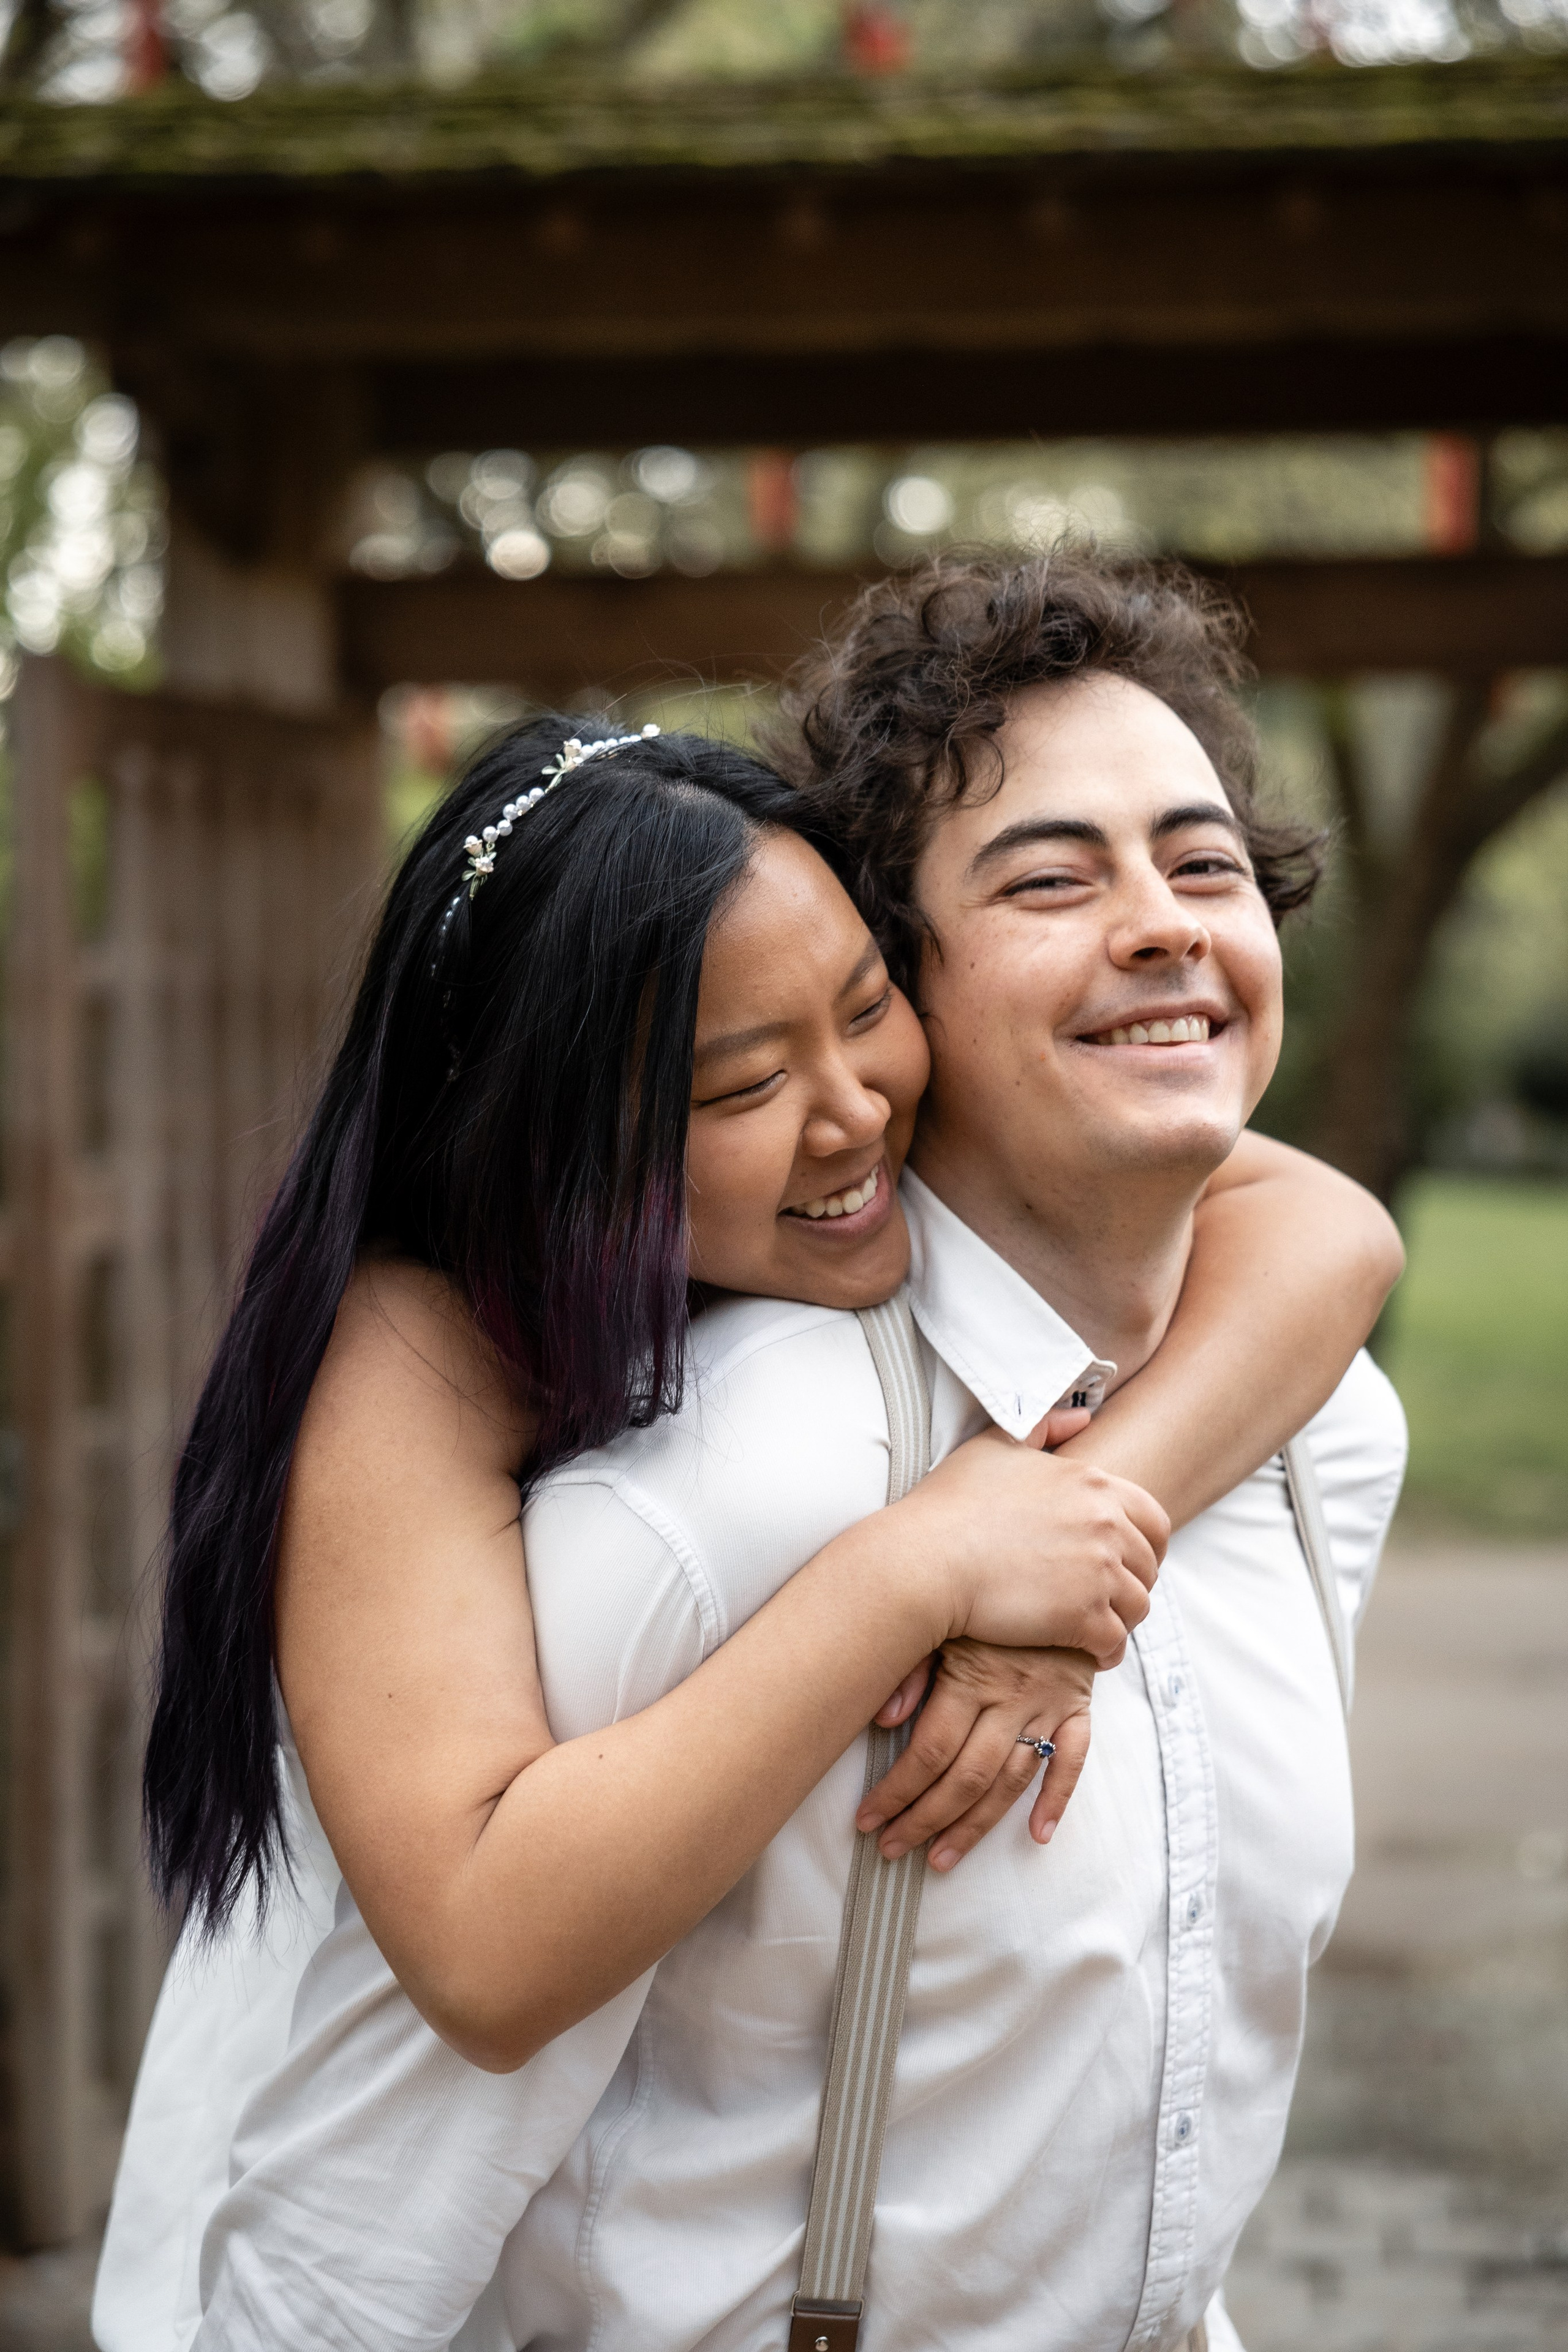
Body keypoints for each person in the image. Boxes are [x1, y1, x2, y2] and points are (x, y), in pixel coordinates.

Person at [163, 551, 1405, 2352]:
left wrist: (1078, 1534)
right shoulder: (541, 1407)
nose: (843, 1117)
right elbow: (457, 2018)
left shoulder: (1311, 1429)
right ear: (564, 1150)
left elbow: (1329, 1229)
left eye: (1204, 861)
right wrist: (914, 1571)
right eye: (735, 1089)